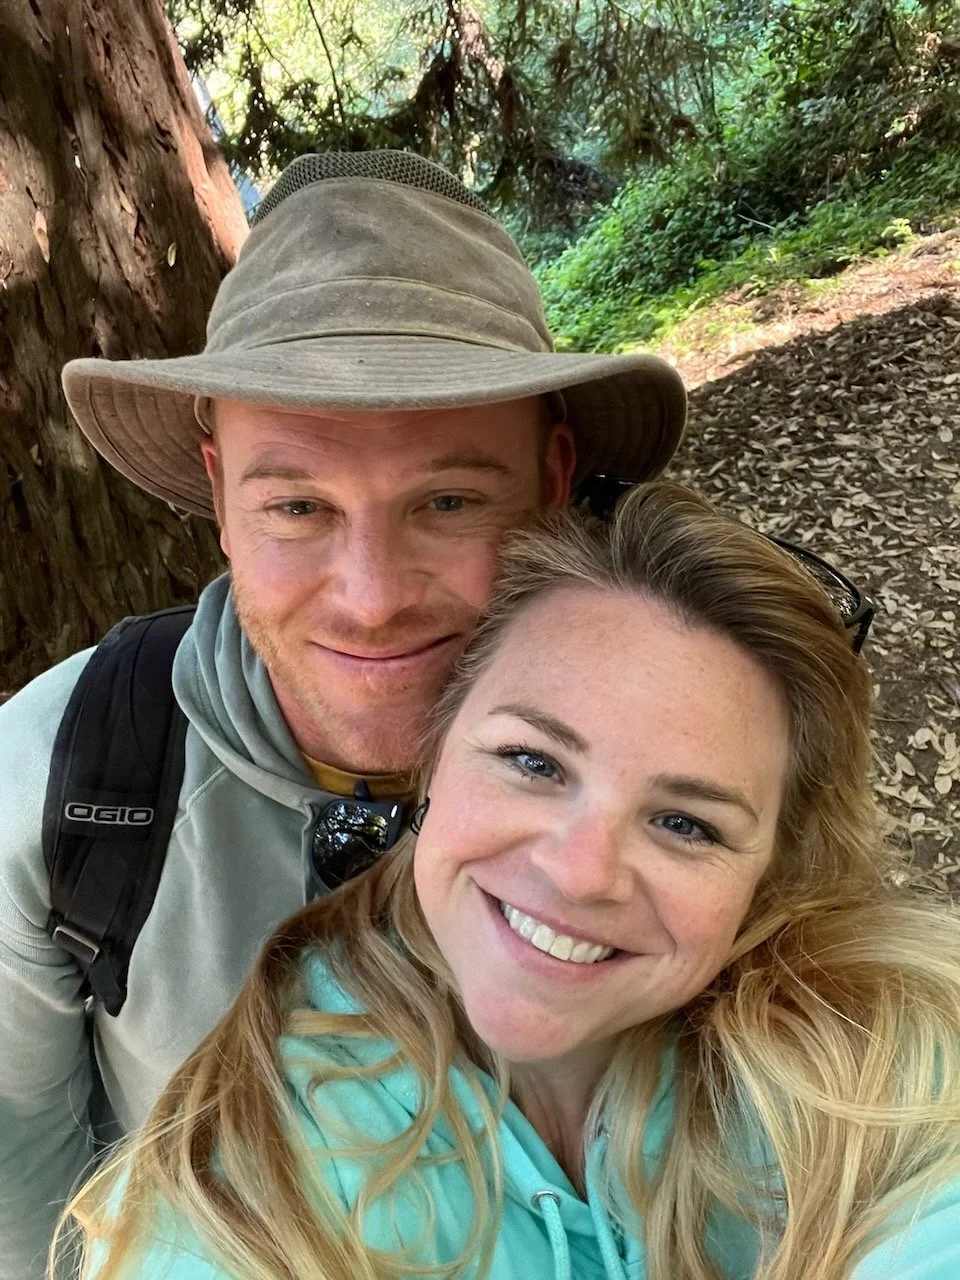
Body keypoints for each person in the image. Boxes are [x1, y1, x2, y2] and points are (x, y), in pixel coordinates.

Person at [0, 150, 686, 1279]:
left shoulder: (681, 759)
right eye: (298, 505)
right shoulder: (62, 781)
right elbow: (27, 1213)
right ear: (217, 494)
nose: (369, 599)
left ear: (553, 480)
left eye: (449, 501)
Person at [64, 482, 960, 1280]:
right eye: (533, 762)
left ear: (773, 870)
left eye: (685, 823)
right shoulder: (254, 1170)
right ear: (434, 758)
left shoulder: (883, 1067)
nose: (580, 873)